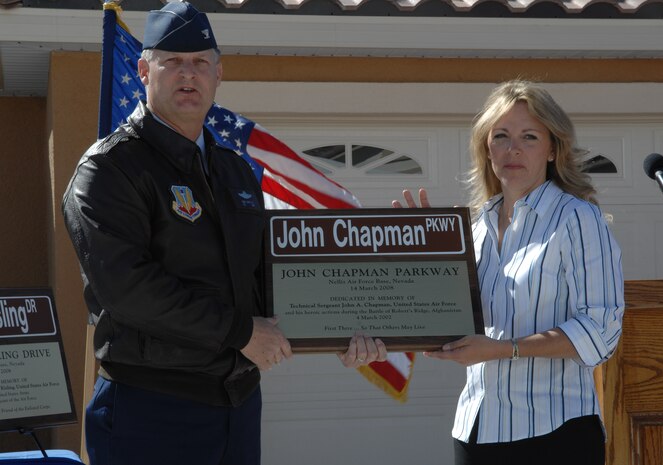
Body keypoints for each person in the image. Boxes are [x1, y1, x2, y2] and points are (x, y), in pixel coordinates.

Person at [62, 3, 385, 465]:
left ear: (218, 73)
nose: (187, 74)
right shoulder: (109, 169)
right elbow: (128, 290)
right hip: (150, 411)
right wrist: (240, 333)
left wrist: (333, 332)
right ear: (143, 69)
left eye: (200, 62)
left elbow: (265, 280)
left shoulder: (234, 170)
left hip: (237, 407)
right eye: (172, 61)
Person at [393, 80, 624, 465]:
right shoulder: (471, 230)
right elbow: (447, 319)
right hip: (476, 430)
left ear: (553, 148)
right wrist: (420, 258)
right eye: (500, 135)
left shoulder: (577, 219)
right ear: (486, 147)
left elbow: (602, 331)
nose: (512, 148)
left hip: (557, 433)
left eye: (529, 136)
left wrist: (505, 349)